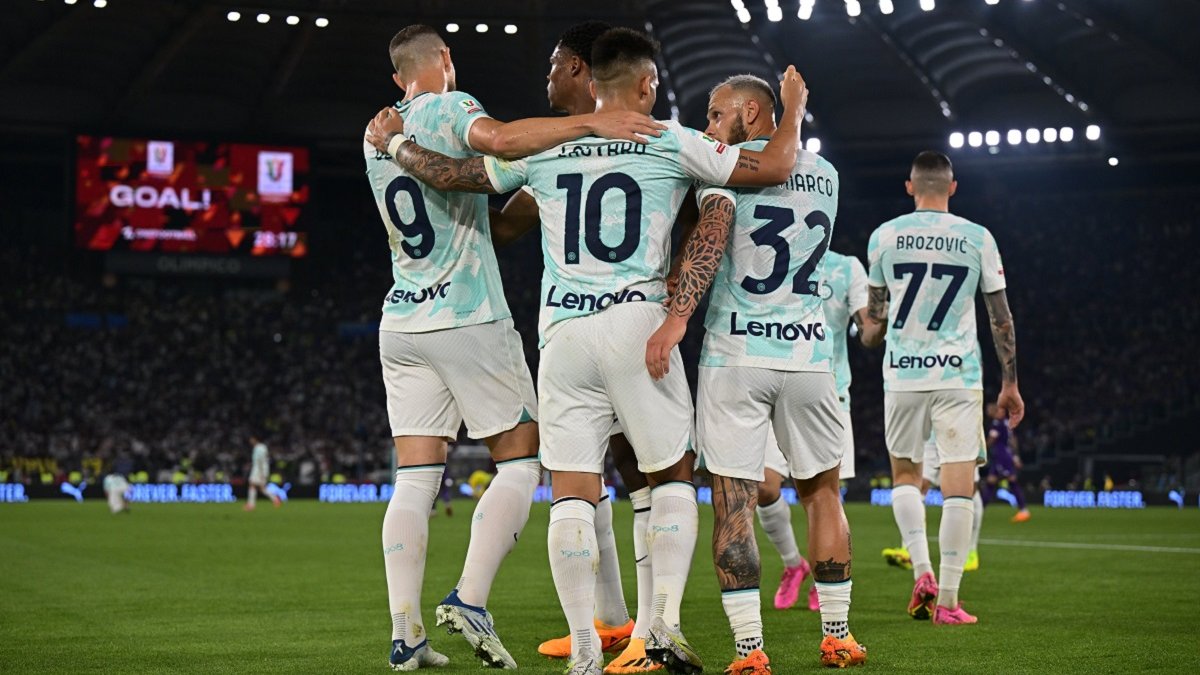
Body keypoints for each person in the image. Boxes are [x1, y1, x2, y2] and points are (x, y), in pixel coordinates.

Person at [368, 27, 808, 675]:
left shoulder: (545, 145)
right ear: (647, 85)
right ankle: (660, 625)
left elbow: (458, 176)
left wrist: (396, 144)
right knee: (670, 476)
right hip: (636, 323)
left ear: (591, 80)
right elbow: (773, 167)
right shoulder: (668, 138)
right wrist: (790, 110)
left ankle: (583, 647)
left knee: (572, 490)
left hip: (562, 335)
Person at [364, 24, 662, 671]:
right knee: (524, 460)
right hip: (468, 314)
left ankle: (405, 634)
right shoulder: (450, 106)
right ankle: (471, 597)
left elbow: (488, 214)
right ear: (445, 59)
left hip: (402, 318)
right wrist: (590, 126)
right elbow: (498, 143)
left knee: (414, 479)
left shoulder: (374, 133)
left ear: (396, 77)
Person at [645, 74, 865, 671]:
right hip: (810, 357)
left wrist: (676, 315)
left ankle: (749, 650)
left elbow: (712, 238)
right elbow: (787, 166)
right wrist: (794, 112)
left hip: (736, 356)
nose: (709, 127)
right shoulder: (828, 174)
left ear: (750, 111)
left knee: (733, 502)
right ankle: (838, 635)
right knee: (823, 494)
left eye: (716, 114)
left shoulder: (723, 167)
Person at [487, 21, 645, 670]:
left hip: (587, 334)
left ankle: (644, 634)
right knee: (605, 474)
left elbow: (494, 194)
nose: (547, 77)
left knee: (626, 474)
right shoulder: (633, 140)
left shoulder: (551, 147)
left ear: (580, 68)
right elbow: (510, 224)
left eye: (554, 66)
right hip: (630, 334)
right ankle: (615, 623)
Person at [861, 150, 1024, 625]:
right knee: (959, 486)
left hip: (903, 374)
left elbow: (875, 322)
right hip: (958, 375)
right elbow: (1001, 319)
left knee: (906, 476)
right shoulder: (978, 237)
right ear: (953, 187)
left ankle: (922, 570)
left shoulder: (884, 236)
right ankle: (949, 602)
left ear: (909, 187)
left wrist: (869, 334)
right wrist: (1010, 382)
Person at [755, 248, 871, 616]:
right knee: (763, 487)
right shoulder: (770, 253)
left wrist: (878, 321)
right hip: (773, 383)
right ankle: (794, 564)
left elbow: (868, 328)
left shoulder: (846, 267)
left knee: (823, 494)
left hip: (828, 389)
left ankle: (825, 581)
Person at [882, 434, 986, 572]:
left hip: (960, 430)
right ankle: (909, 551)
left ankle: (971, 552)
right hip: (930, 436)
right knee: (920, 485)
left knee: (968, 488)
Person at [982, 402, 1030, 522]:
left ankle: (1023, 510)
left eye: (990, 410)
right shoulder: (1007, 423)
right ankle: (980, 509)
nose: (988, 412)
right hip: (1005, 455)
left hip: (1001, 456)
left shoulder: (997, 423)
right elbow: (1013, 441)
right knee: (991, 481)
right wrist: (1015, 457)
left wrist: (981, 450)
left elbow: (992, 440)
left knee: (1010, 481)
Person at [244, 436, 279, 511]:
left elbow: (261, 460)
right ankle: (275, 499)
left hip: (259, 469)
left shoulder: (259, 448)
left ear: (255, 439)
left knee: (252, 485)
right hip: (260, 469)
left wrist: (262, 472)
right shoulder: (262, 447)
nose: (250, 441)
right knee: (261, 488)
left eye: (252, 439)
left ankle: (251, 505)